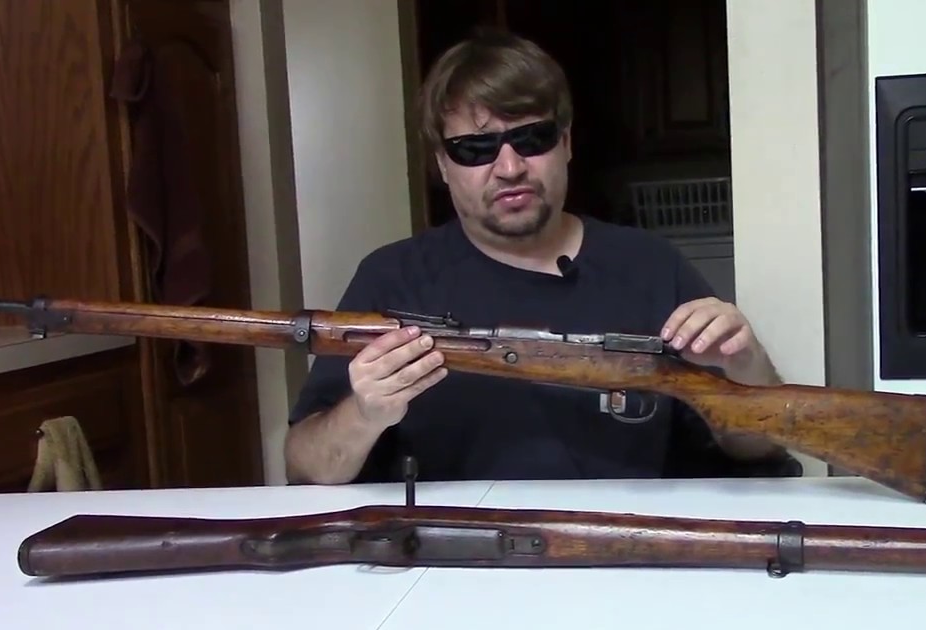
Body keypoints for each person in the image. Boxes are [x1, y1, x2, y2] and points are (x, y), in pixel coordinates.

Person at [283, 29, 792, 485]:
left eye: (532, 139)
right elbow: (305, 465)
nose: (509, 167)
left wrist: (745, 364)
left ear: (566, 143)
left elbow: (758, 448)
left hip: (629, 546)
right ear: (442, 164)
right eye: (475, 149)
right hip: (451, 553)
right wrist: (364, 414)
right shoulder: (391, 278)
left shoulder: (651, 265)